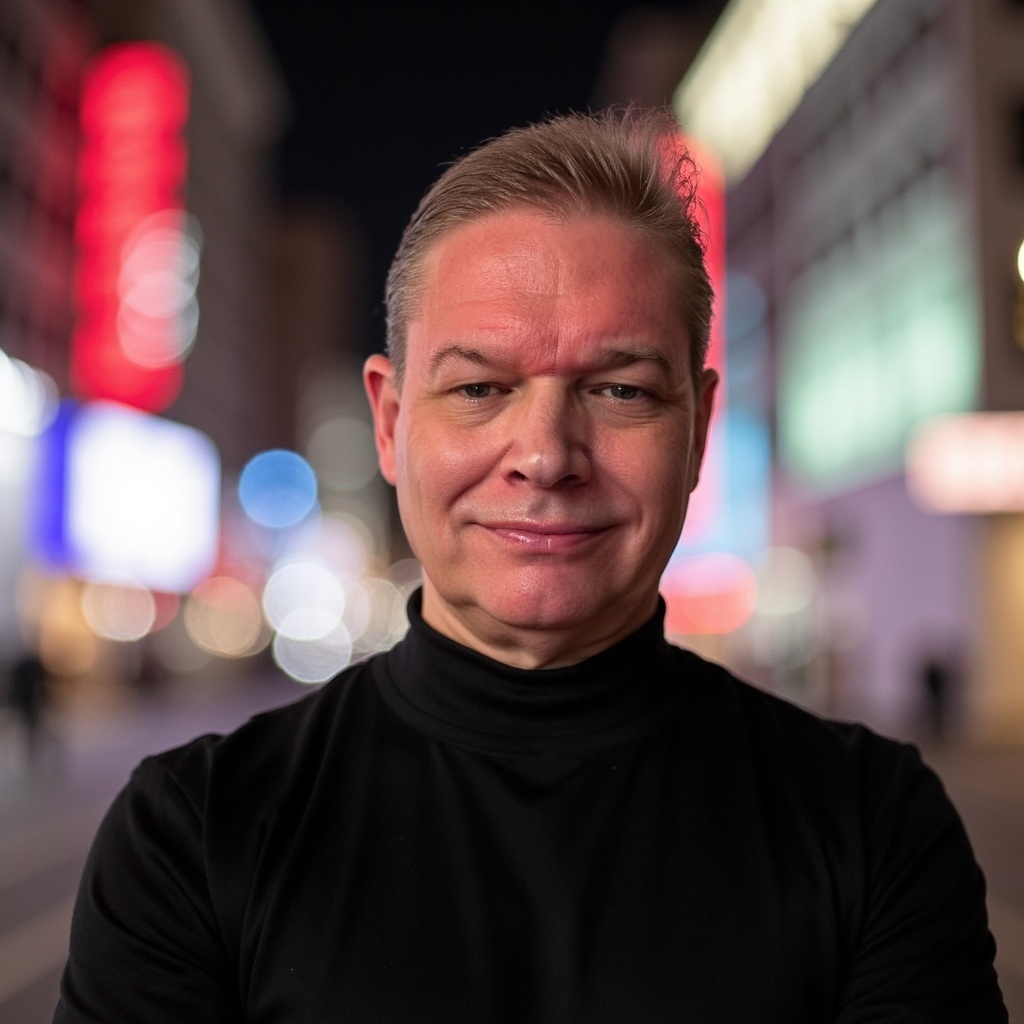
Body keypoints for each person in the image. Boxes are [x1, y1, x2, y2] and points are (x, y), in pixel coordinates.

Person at [54, 107, 1007, 1022]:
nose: (546, 454)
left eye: (620, 389)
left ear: (700, 429)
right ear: (390, 424)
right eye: (479, 388)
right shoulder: (194, 830)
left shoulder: (872, 826)